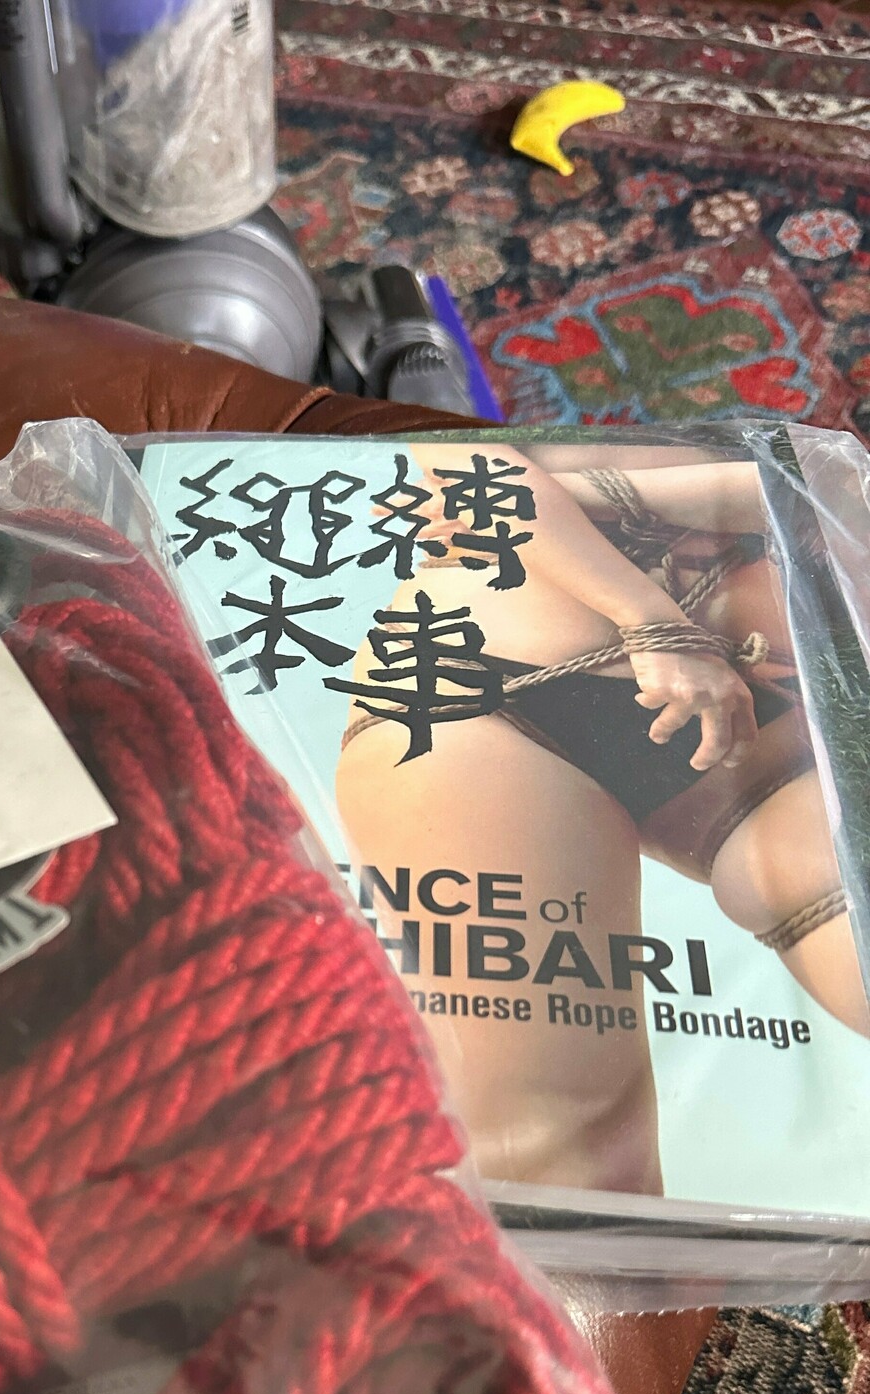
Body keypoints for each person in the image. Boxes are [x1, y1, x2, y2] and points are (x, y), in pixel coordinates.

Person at [334, 442, 868, 1198]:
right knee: (565, 1164)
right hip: (480, 692)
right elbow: (467, 466)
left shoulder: (810, 444)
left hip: (752, 726)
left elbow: (831, 496)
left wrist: (601, 495)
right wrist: (649, 619)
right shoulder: (467, 410)